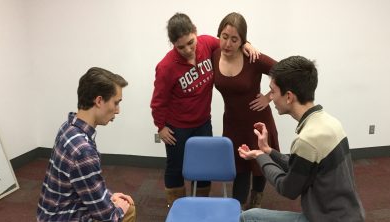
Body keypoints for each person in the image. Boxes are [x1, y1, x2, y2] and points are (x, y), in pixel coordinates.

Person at [150, 12, 260, 207]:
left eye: (191, 42)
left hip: (202, 122)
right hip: (177, 127)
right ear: (173, 44)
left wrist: (246, 44)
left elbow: (230, 42)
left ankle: (200, 204)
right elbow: (158, 101)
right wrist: (161, 127)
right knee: (176, 167)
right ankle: (176, 206)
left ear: (195, 32)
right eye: (180, 46)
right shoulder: (166, 67)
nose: (188, 49)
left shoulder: (208, 43)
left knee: (204, 166)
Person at [238, 56, 365, 222]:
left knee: (249, 217)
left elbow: (287, 188)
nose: (272, 98)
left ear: (289, 97)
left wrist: (259, 157)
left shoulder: (307, 139)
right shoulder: (330, 122)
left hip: (326, 219)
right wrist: (268, 151)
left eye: (273, 91)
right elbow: (299, 167)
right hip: (351, 215)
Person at [37, 67, 136, 222]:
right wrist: (119, 209)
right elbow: (107, 217)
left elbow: (82, 182)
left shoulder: (68, 127)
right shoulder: (83, 150)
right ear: (98, 101)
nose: (118, 111)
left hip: (50, 213)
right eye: (116, 103)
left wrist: (109, 196)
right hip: (64, 217)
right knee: (128, 210)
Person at [212, 12, 280, 209]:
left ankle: (257, 198)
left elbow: (286, 72)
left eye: (235, 39)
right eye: (224, 37)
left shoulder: (253, 58)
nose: (228, 44)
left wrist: (269, 97)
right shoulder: (214, 54)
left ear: (242, 41)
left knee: (260, 165)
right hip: (233, 123)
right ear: (219, 35)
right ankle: (239, 208)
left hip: (258, 121)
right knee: (240, 167)